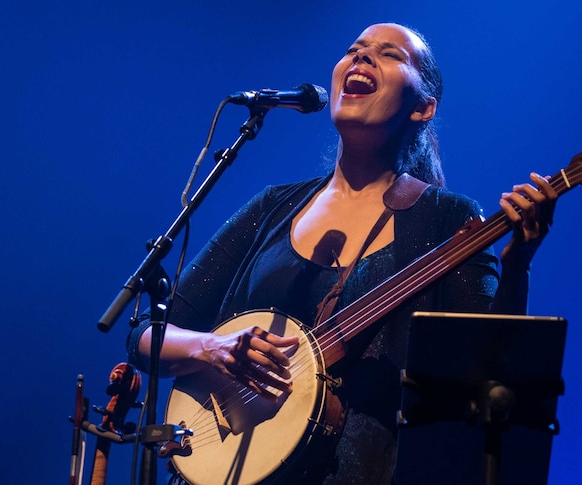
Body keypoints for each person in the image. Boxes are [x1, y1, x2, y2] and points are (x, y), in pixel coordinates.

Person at [127, 22, 557, 484]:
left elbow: (488, 368)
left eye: (389, 54)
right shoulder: (273, 208)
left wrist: (517, 267)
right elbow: (145, 339)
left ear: (424, 108)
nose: (362, 58)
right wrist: (216, 347)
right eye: (354, 49)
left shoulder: (446, 219)